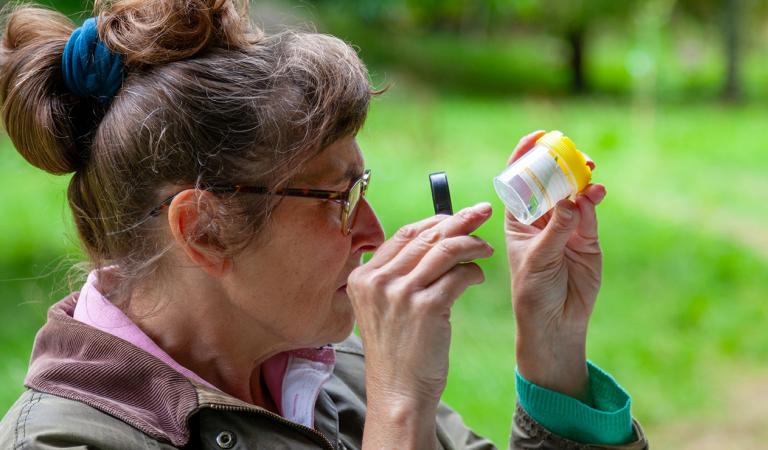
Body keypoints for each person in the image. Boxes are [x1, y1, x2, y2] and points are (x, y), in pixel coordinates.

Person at [0, 0, 649, 448]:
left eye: (362, 187)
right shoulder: (67, 441)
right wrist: (398, 409)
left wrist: (552, 350)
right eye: (337, 198)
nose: (372, 232)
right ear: (204, 230)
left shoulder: (330, 363)